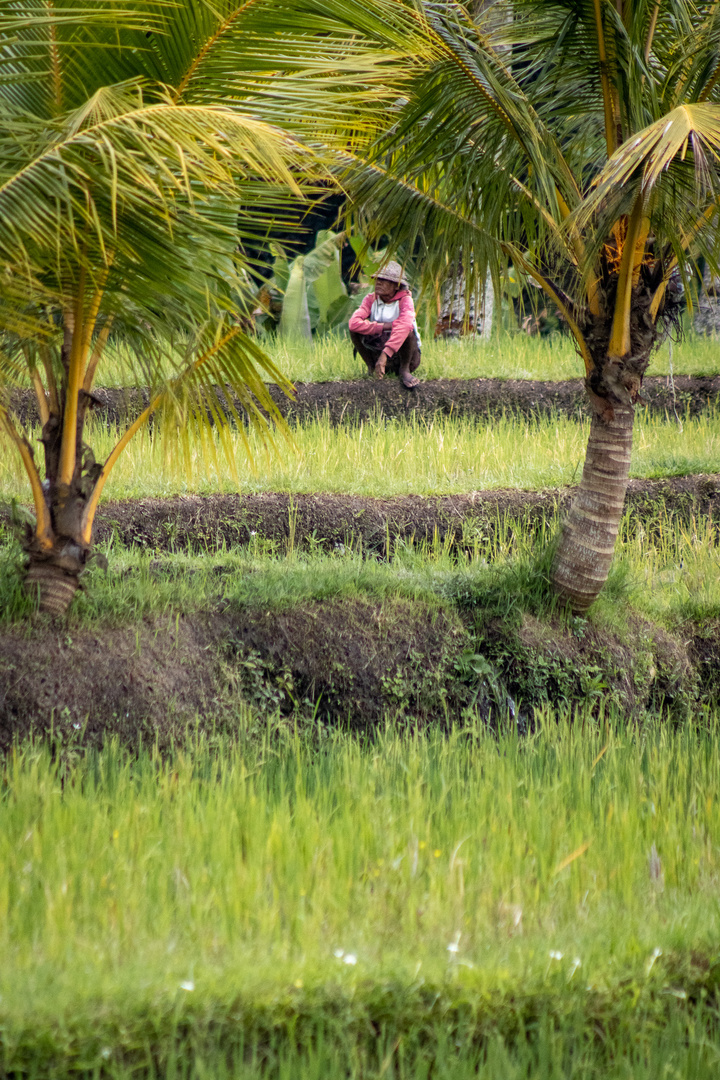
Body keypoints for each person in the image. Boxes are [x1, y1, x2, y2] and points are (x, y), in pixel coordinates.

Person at [348, 261, 421, 388]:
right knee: (354, 331)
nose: (378, 283)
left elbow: (405, 325)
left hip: (403, 356)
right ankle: (371, 367)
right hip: (378, 355)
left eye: (384, 280)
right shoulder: (371, 299)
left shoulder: (405, 300)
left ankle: (404, 370)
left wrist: (385, 354)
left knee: (407, 332)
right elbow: (353, 324)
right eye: (378, 279)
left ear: (397, 286)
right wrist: (385, 326)